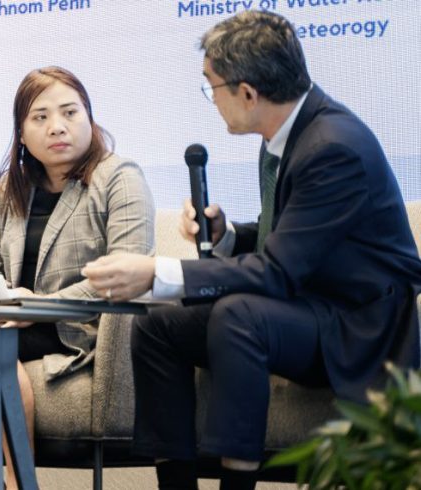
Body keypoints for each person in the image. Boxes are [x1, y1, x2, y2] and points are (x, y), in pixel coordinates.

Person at [81, 10, 421, 490]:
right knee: (157, 326)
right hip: (305, 303)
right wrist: (225, 235)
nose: (212, 101)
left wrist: (158, 271)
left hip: (355, 325)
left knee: (238, 315)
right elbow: (289, 237)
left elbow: (278, 271)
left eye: (211, 87)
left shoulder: (333, 146)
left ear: (247, 93)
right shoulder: (287, 135)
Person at [0, 66, 155, 488]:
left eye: (70, 112)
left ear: (89, 118)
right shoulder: (11, 188)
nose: (57, 127)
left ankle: (14, 481)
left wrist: (39, 307)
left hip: (80, 325)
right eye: (40, 117)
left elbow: (125, 273)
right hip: (12, 318)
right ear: (22, 133)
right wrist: (0, 297)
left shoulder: (119, 178)